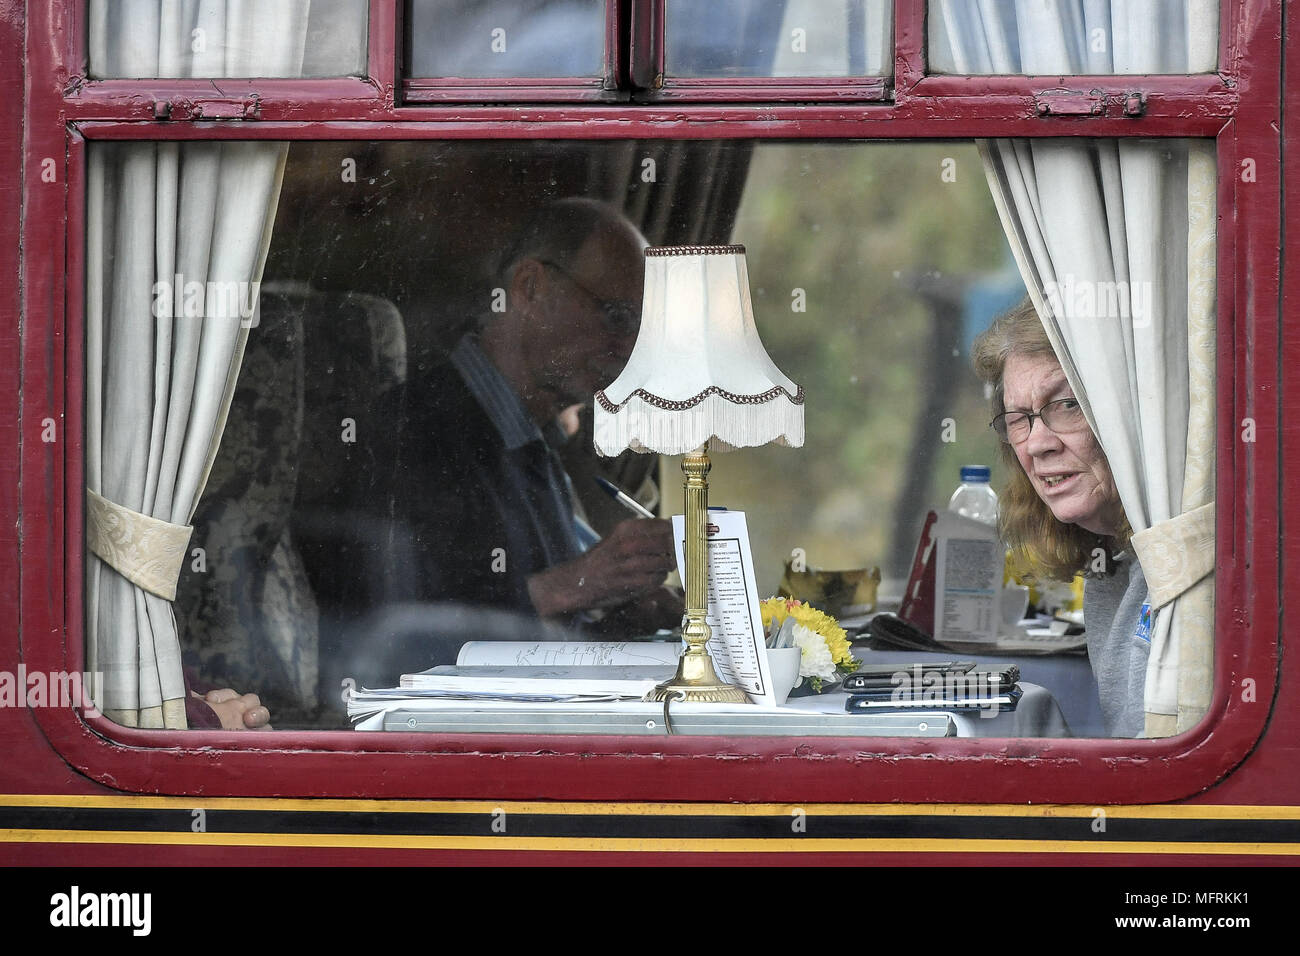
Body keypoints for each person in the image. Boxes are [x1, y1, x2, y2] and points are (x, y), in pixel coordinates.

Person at [368, 198, 683, 638]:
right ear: (530, 287)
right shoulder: (412, 430)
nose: (630, 347)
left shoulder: (533, 443)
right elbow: (396, 629)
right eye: (617, 317)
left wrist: (625, 613)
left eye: (642, 330)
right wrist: (576, 585)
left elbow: (544, 639)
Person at [972, 299, 1146, 737]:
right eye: (1019, 419)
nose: (1036, 444)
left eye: (1067, 405)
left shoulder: (1176, 561)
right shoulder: (1112, 565)